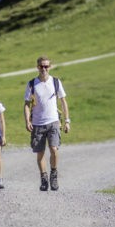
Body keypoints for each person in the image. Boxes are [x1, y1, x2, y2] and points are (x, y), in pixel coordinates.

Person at [24, 56, 70, 191]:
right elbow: (27, 104)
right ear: (37, 67)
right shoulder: (32, 84)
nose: (44, 69)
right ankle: (44, 178)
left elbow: (63, 101)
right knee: (40, 153)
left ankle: (53, 175)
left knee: (54, 150)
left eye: (46, 66)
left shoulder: (55, 82)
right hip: (38, 123)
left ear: (50, 67)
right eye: (41, 66)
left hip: (53, 121)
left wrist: (67, 121)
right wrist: (27, 120)